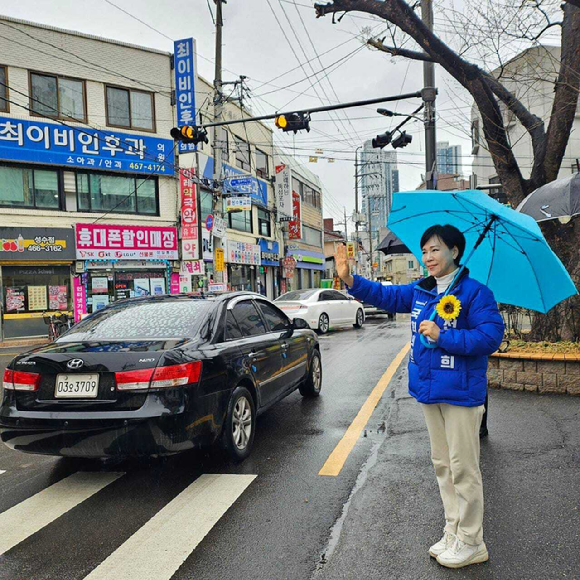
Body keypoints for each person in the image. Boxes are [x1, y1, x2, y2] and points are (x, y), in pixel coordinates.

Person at [335, 224, 503, 569]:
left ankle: (472, 541)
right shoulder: (422, 291)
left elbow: (489, 338)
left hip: (460, 393)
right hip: (429, 390)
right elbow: (386, 296)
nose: (428, 257)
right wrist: (350, 279)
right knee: (442, 465)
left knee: (463, 469)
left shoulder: (476, 293)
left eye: (436, 250)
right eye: (424, 251)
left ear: (455, 251)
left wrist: (444, 336)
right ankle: (453, 531)